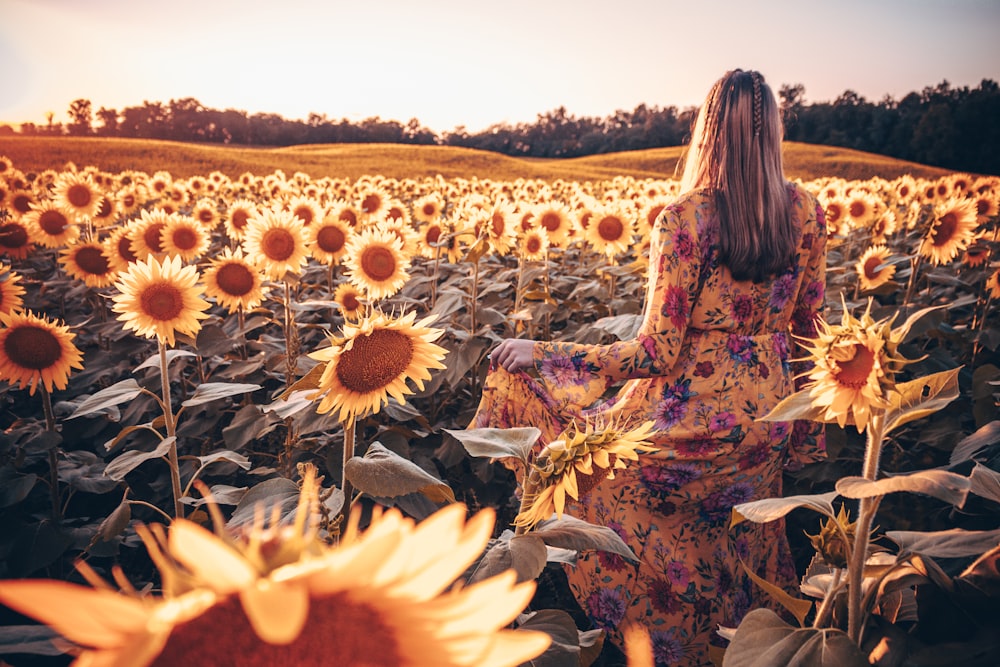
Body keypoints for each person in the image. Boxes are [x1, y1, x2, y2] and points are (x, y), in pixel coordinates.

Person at [471, 68, 827, 666]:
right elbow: (809, 332)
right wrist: (806, 436)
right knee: (738, 543)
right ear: (775, 133)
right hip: (766, 424)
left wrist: (548, 354)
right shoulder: (807, 212)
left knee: (583, 468)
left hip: (689, 430)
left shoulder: (685, 219)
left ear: (708, 131)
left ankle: (663, 645)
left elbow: (656, 353)